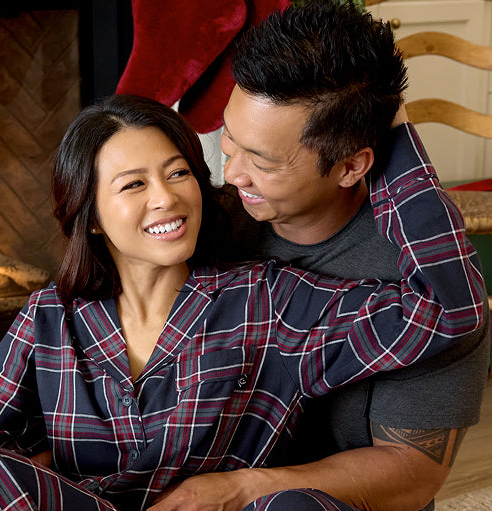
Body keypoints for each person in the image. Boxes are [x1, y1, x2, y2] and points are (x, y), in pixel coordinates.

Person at [0, 93, 484, 511]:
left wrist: (388, 127)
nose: (166, 197)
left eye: (179, 172)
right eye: (133, 184)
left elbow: (447, 311)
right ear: (92, 215)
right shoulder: (53, 316)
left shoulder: (267, 300)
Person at [151, 2, 489, 510]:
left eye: (262, 161)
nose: (233, 172)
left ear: (351, 165)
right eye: (230, 140)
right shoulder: (209, 229)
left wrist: (238, 490)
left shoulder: (424, 280)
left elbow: (413, 473)